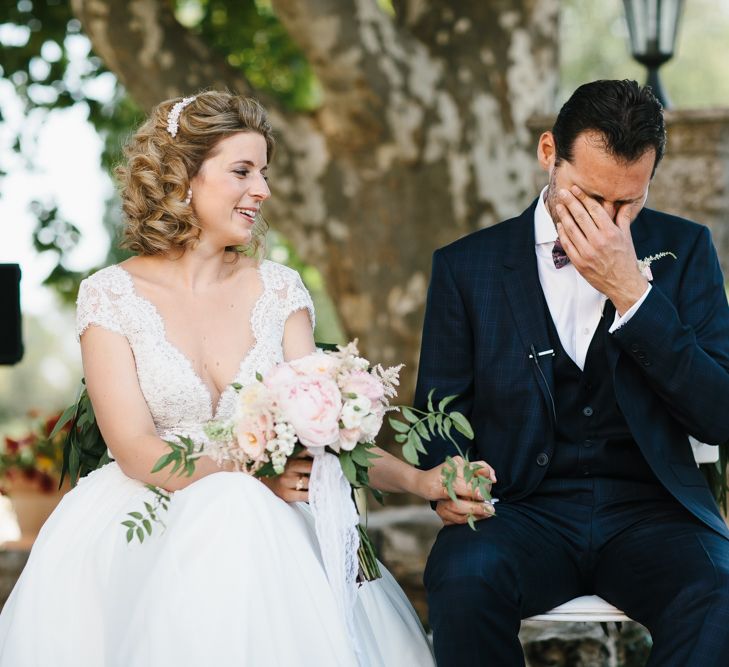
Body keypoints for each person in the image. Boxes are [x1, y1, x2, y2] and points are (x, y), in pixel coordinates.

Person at [0, 91, 477, 666]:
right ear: (182, 177)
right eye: (242, 171)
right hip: (147, 517)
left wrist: (425, 482)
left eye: (265, 173)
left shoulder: (279, 290)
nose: (263, 190)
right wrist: (248, 475)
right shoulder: (110, 296)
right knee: (232, 505)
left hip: (275, 525)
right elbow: (134, 449)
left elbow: (329, 431)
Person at [416, 79, 729, 667]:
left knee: (721, 594)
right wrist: (447, 479)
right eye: (589, 196)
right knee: (462, 578)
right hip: (519, 509)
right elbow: (439, 413)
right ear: (547, 155)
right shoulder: (466, 266)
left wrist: (634, 295)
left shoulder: (686, 250)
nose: (610, 221)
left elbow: (718, 415)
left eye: (628, 202)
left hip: (651, 510)